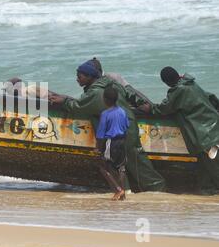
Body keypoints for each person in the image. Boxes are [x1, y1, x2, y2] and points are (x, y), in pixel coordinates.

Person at [49, 60, 166, 192]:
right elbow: (129, 93)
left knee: (124, 162)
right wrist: (141, 104)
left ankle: (151, 189)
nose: (77, 79)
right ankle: (146, 189)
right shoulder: (111, 84)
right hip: (128, 124)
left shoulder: (96, 93)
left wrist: (64, 101)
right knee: (134, 160)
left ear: (89, 77)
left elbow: (79, 107)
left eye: (80, 76)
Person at [141, 67, 219, 193]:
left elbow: (164, 109)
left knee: (214, 169)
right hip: (214, 128)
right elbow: (211, 97)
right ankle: (207, 196)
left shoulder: (178, 91)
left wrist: (150, 109)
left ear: (166, 82)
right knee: (205, 168)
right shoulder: (191, 83)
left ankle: (209, 193)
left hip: (206, 136)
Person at [96, 86, 129, 200]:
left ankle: (118, 190)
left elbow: (101, 134)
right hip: (122, 141)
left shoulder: (105, 114)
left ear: (105, 99)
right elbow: (126, 127)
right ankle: (123, 195)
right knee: (121, 168)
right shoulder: (122, 111)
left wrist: (98, 149)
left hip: (111, 142)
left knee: (104, 167)